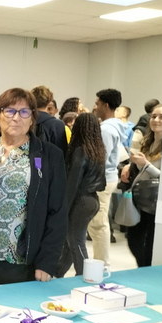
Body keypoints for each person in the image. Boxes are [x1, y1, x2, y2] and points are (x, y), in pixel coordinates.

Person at [0, 88, 67, 285]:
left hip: (17, 258)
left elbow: (58, 212)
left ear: (32, 118)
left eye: (24, 112)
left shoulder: (49, 156)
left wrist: (47, 261)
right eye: (9, 111)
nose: (16, 118)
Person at [55, 113, 106, 277]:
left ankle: (86, 276)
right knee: (72, 239)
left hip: (80, 201)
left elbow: (72, 184)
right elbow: (102, 182)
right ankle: (57, 272)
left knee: (75, 240)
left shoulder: (80, 151)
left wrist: (63, 209)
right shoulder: (97, 151)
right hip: (92, 200)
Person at [122, 104, 162, 267]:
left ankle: (146, 271)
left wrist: (145, 164)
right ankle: (143, 267)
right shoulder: (147, 142)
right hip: (140, 199)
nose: (156, 120)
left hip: (156, 202)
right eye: (154, 116)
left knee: (149, 245)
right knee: (133, 240)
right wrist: (130, 165)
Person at [88, 88, 126, 267]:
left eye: (97, 103)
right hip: (107, 178)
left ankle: (102, 263)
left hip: (102, 180)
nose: (94, 107)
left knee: (98, 223)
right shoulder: (114, 126)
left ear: (106, 105)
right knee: (98, 221)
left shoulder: (106, 130)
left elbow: (99, 158)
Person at [31, 85, 67, 153]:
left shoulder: (25, 120)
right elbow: (62, 151)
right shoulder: (58, 124)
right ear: (49, 101)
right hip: (51, 161)